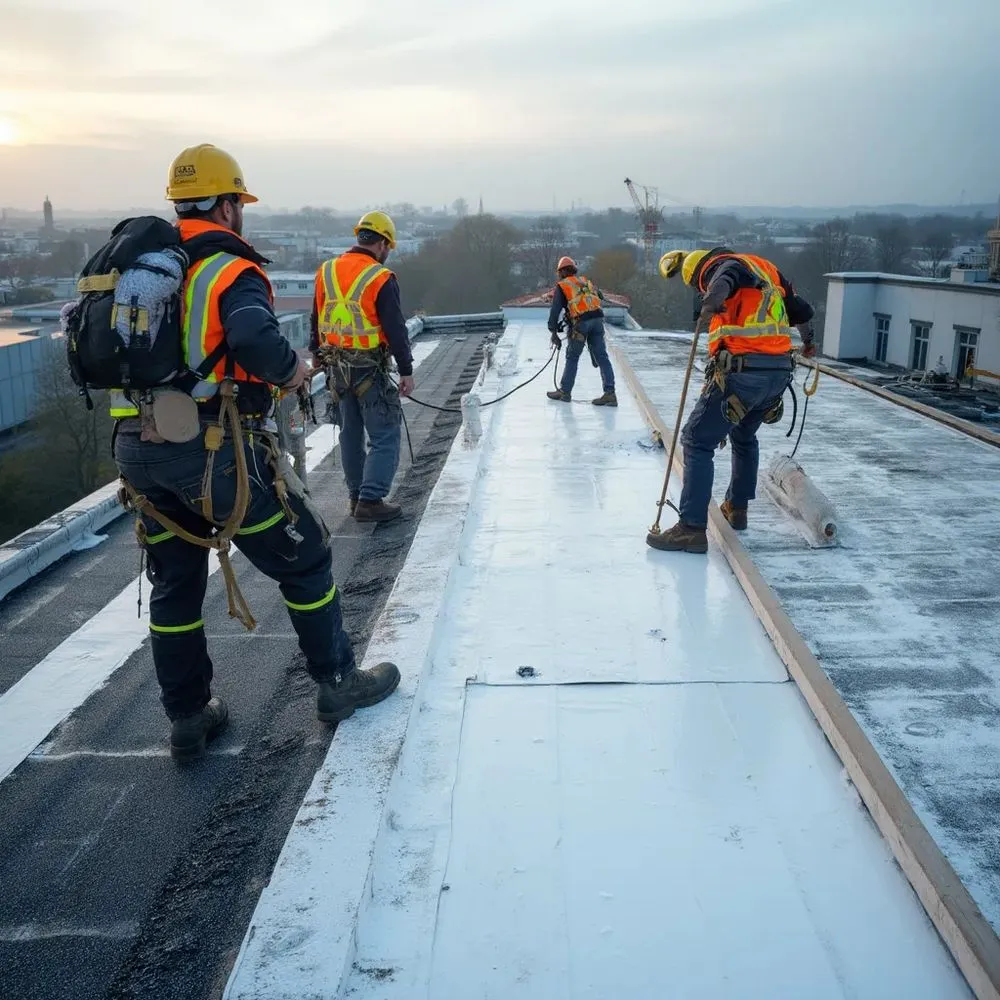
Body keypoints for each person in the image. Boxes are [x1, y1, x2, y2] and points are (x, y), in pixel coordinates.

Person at [111, 144, 399, 760]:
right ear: (226, 204)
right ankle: (338, 682)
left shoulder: (139, 267)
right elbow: (252, 338)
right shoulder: (227, 269)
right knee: (306, 557)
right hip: (210, 451)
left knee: (176, 582)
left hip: (137, 449)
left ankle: (188, 717)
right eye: (238, 201)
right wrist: (293, 370)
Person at [651, 247, 816, 552]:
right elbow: (801, 310)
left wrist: (710, 303)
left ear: (701, 273)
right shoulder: (769, 270)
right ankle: (736, 510)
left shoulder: (724, 266)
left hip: (744, 373)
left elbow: (725, 278)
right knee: (743, 434)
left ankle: (691, 528)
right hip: (777, 374)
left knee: (697, 440)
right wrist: (808, 341)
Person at [311, 212, 414, 522]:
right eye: (388, 247)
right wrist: (406, 369)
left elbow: (315, 315)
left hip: (336, 371)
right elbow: (395, 328)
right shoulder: (379, 277)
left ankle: (356, 497)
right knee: (384, 433)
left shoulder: (326, 270)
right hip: (369, 369)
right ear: (382, 243)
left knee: (350, 433)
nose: (387, 253)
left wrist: (316, 354)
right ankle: (371, 499)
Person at [545, 256, 617, 406]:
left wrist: (553, 332)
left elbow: (555, 310)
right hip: (597, 321)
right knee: (602, 357)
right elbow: (597, 296)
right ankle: (610, 394)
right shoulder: (585, 281)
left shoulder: (562, 285)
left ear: (562, 272)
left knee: (572, 357)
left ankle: (565, 392)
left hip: (581, 324)